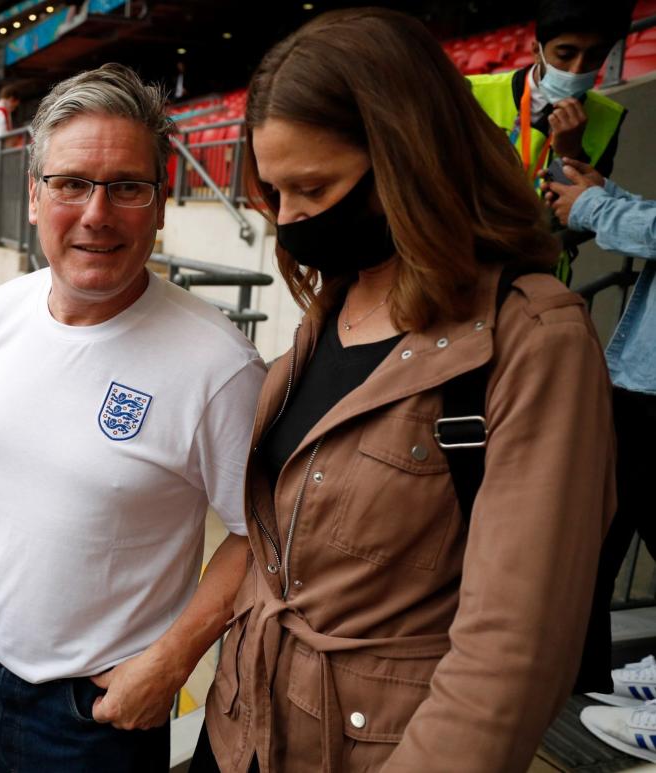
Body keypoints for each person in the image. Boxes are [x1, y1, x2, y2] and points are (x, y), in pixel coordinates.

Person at [194, 9, 615, 772]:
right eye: (275, 197)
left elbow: (507, 658)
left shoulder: (535, 339)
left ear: (405, 159)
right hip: (244, 732)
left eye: (312, 189)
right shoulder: (332, 306)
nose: (291, 225)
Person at [0, 63, 266, 771]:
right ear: (34, 195)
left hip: (97, 716)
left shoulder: (220, 365)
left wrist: (171, 661)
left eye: (127, 188)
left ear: (162, 203)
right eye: (72, 183)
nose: (96, 213)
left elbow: (258, 536)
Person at [541, 159, 656, 719]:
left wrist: (590, 207)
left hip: (648, 383)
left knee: (595, 528)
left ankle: (573, 674)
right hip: (641, 380)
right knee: (596, 530)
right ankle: (578, 673)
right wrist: (606, 191)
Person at [468, 0, 634, 283]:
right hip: (468, 265)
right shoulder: (471, 93)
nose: (576, 69)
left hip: (541, 278)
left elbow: (576, 217)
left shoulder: (608, 119)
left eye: (594, 56)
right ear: (536, 51)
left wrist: (568, 156)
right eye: (565, 54)